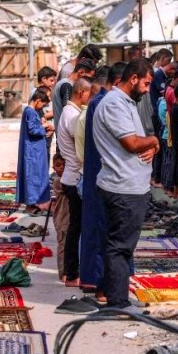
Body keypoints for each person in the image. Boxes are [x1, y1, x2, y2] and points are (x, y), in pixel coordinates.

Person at [92, 58, 159, 313]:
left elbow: (141, 142)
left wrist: (152, 145)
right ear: (133, 79)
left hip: (129, 185)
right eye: (146, 83)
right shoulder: (114, 104)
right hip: (122, 187)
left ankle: (115, 296)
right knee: (119, 247)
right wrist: (153, 140)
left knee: (121, 246)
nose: (147, 89)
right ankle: (117, 302)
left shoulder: (126, 102)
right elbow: (132, 143)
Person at [79, 62, 126, 301]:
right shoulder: (105, 104)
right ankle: (103, 287)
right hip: (105, 178)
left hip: (99, 176)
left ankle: (102, 284)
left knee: (101, 230)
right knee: (106, 231)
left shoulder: (97, 104)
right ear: (118, 83)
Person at [56, 78, 92, 285]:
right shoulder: (72, 116)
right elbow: (81, 148)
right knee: (75, 228)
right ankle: (71, 273)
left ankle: (71, 271)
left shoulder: (71, 114)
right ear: (81, 93)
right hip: (74, 176)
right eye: (89, 94)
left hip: (72, 175)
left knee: (75, 227)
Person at [16, 90, 54, 212]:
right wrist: (44, 127)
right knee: (32, 176)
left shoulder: (30, 112)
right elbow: (33, 130)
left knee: (35, 175)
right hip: (33, 151)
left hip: (35, 149)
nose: (42, 107)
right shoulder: (30, 112)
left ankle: (34, 202)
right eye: (43, 104)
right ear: (38, 100)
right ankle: (31, 203)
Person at [149, 49, 175, 187]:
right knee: (159, 147)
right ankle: (156, 177)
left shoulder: (161, 75)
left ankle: (158, 176)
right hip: (158, 115)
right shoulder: (158, 75)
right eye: (168, 61)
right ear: (164, 59)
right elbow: (164, 93)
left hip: (160, 114)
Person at [52, 58, 97, 133]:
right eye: (90, 76)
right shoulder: (66, 86)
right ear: (81, 72)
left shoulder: (65, 83)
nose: (90, 80)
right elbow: (68, 115)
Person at [50, 154, 69, 280]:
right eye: (58, 166)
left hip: (67, 216)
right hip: (62, 217)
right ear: (53, 168)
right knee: (63, 244)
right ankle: (63, 272)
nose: (61, 168)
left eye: (64, 165)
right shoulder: (59, 181)